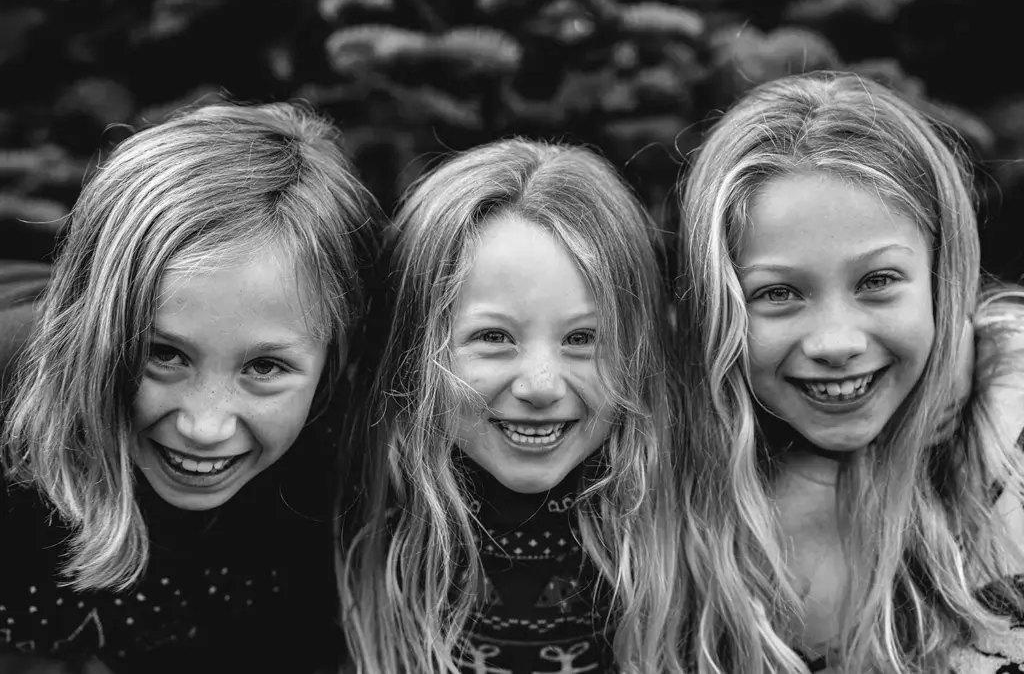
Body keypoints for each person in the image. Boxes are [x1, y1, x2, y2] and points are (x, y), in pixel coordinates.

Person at [0, 102, 377, 674]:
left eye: (265, 368)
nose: (205, 427)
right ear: (85, 325)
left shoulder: (335, 472)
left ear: (337, 357)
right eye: (164, 354)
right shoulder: (9, 406)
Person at [673, 70, 1024, 674]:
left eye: (877, 281)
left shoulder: (1009, 418)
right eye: (778, 293)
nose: (836, 343)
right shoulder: (675, 507)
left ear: (944, 279)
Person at [339, 139, 684, 674]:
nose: (541, 387)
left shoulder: (684, 505)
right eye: (494, 336)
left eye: (583, 338)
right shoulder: (350, 497)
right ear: (410, 353)